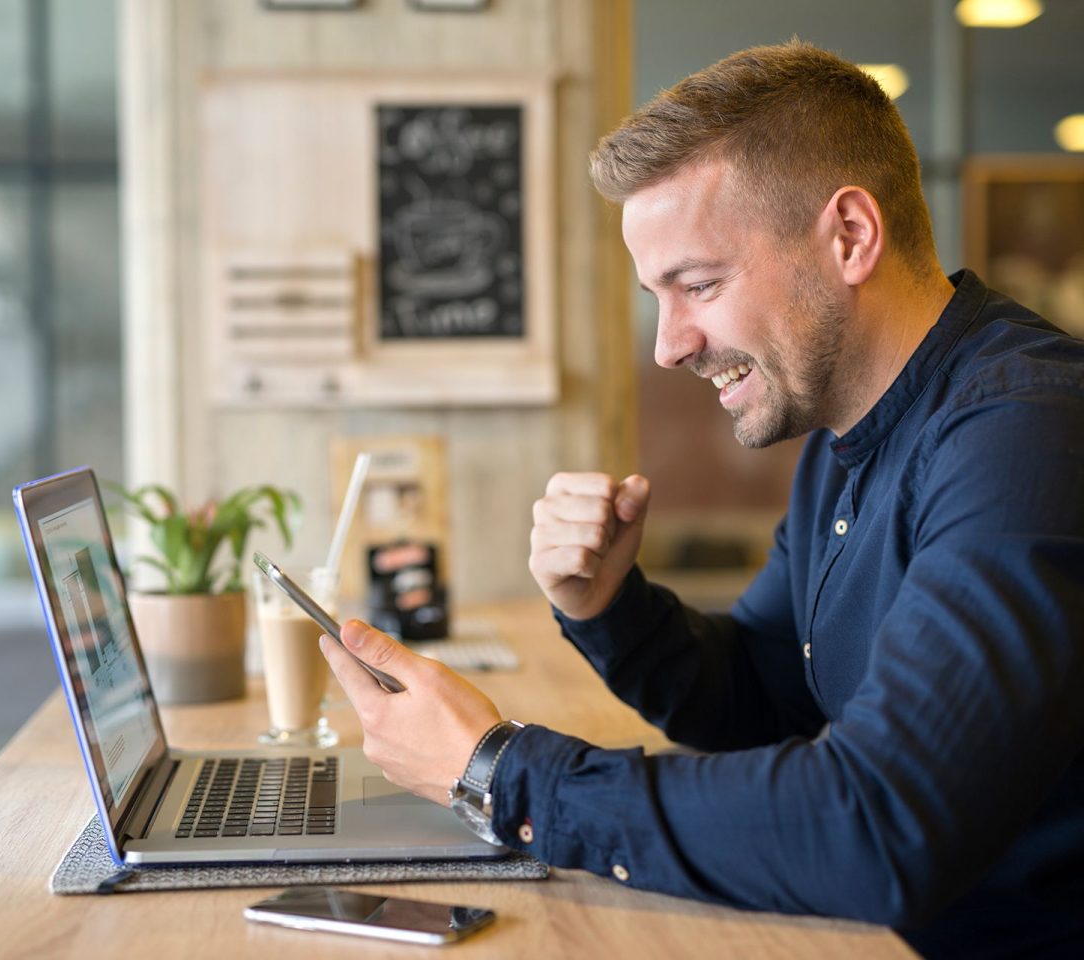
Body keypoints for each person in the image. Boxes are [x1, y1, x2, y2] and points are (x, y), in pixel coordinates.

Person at [318, 41, 1084, 958]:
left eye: (699, 284)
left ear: (849, 235)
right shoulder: (847, 431)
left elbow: (879, 825)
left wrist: (500, 771)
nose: (669, 345)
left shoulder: (1027, 432)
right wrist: (608, 606)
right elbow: (765, 694)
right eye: (658, 296)